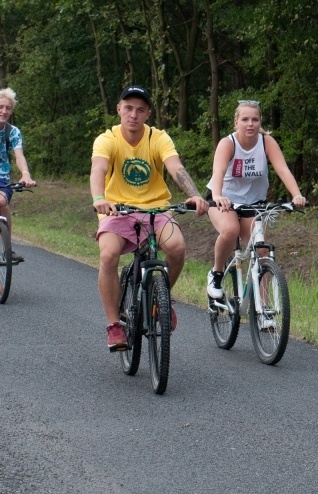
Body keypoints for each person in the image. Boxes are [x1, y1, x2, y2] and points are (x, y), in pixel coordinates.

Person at [90, 85, 209, 350]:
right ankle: (114, 326)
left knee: (177, 248)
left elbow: (175, 167)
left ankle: (160, 299)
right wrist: (99, 199)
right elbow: (98, 168)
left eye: (140, 110)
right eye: (129, 108)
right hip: (117, 210)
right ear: (119, 109)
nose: (133, 114)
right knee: (108, 255)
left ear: (148, 114)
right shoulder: (106, 139)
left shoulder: (159, 138)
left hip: (156, 209)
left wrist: (195, 194)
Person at [205, 100, 305, 299]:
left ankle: (265, 311)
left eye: (255, 119)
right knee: (230, 230)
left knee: (262, 252)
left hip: (253, 202)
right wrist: (217, 196)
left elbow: (282, 170)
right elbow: (218, 172)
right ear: (236, 122)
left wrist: (297, 195)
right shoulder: (228, 143)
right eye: (245, 119)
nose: (250, 124)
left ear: (260, 122)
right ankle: (216, 273)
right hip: (224, 199)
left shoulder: (266, 141)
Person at [0, 87, 36, 264]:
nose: (4, 111)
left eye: (7, 108)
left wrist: (25, 174)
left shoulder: (12, 132)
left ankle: (7, 248)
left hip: (2, 180)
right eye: (0, 107)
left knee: (1, 202)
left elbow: (19, 156)